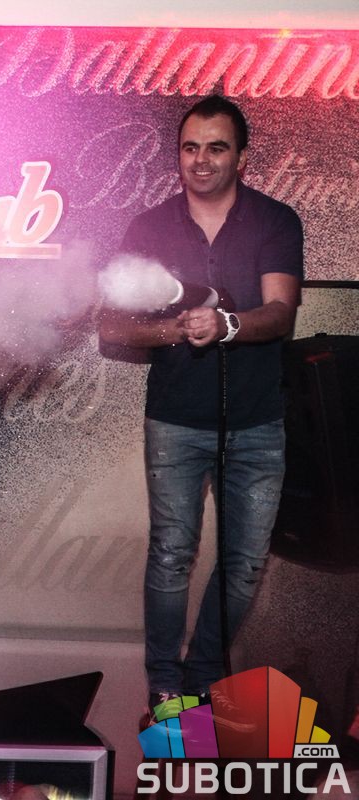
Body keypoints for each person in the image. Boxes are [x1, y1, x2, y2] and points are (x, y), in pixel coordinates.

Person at [99, 96, 303, 713]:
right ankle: (165, 688)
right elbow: (112, 327)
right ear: (178, 156)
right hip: (176, 421)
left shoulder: (275, 221)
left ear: (241, 156)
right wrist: (176, 330)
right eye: (190, 148)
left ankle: (203, 678)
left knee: (245, 564)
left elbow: (280, 313)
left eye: (217, 147)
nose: (202, 160)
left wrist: (226, 325)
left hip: (258, 422)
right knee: (171, 553)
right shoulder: (149, 228)